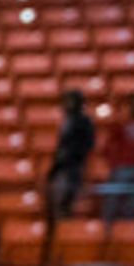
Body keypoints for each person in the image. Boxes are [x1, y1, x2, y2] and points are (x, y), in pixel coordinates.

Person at [97, 88, 134, 221]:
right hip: (121, 166)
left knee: (132, 203)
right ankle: (106, 230)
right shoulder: (121, 121)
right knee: (113, 199)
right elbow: (109, 143)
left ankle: (126, 232)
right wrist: (112, 162)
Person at [43, 86, 93, 218]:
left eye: (71, 101)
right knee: (56, 199)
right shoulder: (66, 121)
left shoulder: (84, 121)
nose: (68, 104)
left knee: (66, 199)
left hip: (73, 166)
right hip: (62, 166)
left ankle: (66, 226)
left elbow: (87, 143)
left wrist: (71, 153)